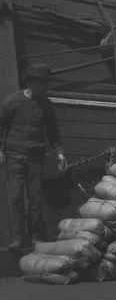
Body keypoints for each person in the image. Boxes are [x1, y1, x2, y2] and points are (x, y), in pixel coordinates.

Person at [0, 64, 67, 250]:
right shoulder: (12, 101)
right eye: (43, 83)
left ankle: (36, 237)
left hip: (36, 158)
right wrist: (1, 151)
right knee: (16, 199)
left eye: (47, 83)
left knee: (35, 199)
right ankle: (19, 238)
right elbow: (1, 126)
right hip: (14, 156)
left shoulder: (46, 104)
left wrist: (60, 153)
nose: (46, 87)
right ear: (31, 82)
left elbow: (53, 131)